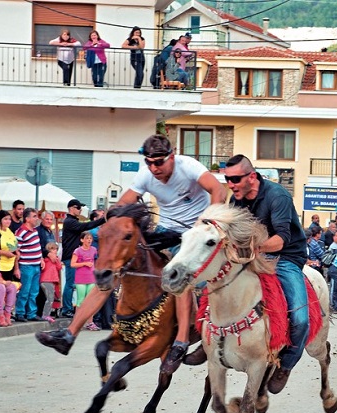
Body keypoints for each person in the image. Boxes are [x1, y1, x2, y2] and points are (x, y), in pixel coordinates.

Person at [37, 135, 226, 364]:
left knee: (180, 278)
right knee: (113, 272)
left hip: (193, 232)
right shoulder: (146, 175)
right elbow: (123, 202)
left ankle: (181, 341)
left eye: (159, 162)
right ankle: (69, 335)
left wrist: (206, 223)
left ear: (172, 157)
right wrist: (113, 215)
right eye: (149, 162)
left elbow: (218, 190)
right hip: (165, 230)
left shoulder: (189, 167)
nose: (154, 168)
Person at [224, 154, 309, 394]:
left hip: (285, 258)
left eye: (235, 179)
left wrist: (254, 249)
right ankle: (206, 341)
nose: (231, 184)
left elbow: (281, 240)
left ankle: (286, 365)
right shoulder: (236, 200)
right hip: (250, 256)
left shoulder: (277, 195)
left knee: (301, 319)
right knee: (210, 287)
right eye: (227, 179)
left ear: (251, 177)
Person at [60, 199, 104, 318]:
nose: (80, 210)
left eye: (80, 207)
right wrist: (103, 220)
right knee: (70, 284)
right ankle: (66, 309)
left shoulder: (73, 221)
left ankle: (72, 308)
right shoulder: (69, 221)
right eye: (78, 207)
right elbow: (86, 226)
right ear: (71, 208)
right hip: (70, 257)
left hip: (76, 257)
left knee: (75, 284)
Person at [13, 208, 43, 322]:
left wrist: (41, 258)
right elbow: (15, 250)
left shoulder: (35, 230)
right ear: (27, 218)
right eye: (34, 216)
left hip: (36, 265)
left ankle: (31, 313)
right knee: (25, 291)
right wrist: (17, 268)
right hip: (26, 265)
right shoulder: (20, 232)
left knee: (34, 291)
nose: (37, 219)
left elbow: (37, 246)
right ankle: (20, 313)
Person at [71, 231, 99, 331]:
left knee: (90, 301)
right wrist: (84, 263)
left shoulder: (94, 250)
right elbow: (72, 264)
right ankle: (77, 322)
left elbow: (96, 260)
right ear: (82, 240)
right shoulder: (78, 251)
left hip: (91, 278)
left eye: (90, 238)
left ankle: (90, 322)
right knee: (80, 300)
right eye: (87, 238)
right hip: (81, 279)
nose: (89, 240)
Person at [0, 210, 19, 281]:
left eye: (9, 219)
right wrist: (5, 253)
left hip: (11, 266)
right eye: (5, 219)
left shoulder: (9, 231)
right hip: (0, 266)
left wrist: (17, 252)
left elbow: (14, 246)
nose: (8, 221)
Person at [39, 242, 62, 323]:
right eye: (52, 249)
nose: (55, 251)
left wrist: (57, 260)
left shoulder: (56, 260)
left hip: (52, 281)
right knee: (50, 298)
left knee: (50, 298)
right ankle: (45, 314)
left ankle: (47, 313)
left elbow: (59, 267)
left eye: (56, 249)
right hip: (46, 280)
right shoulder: (46, 260)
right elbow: (43, 268)